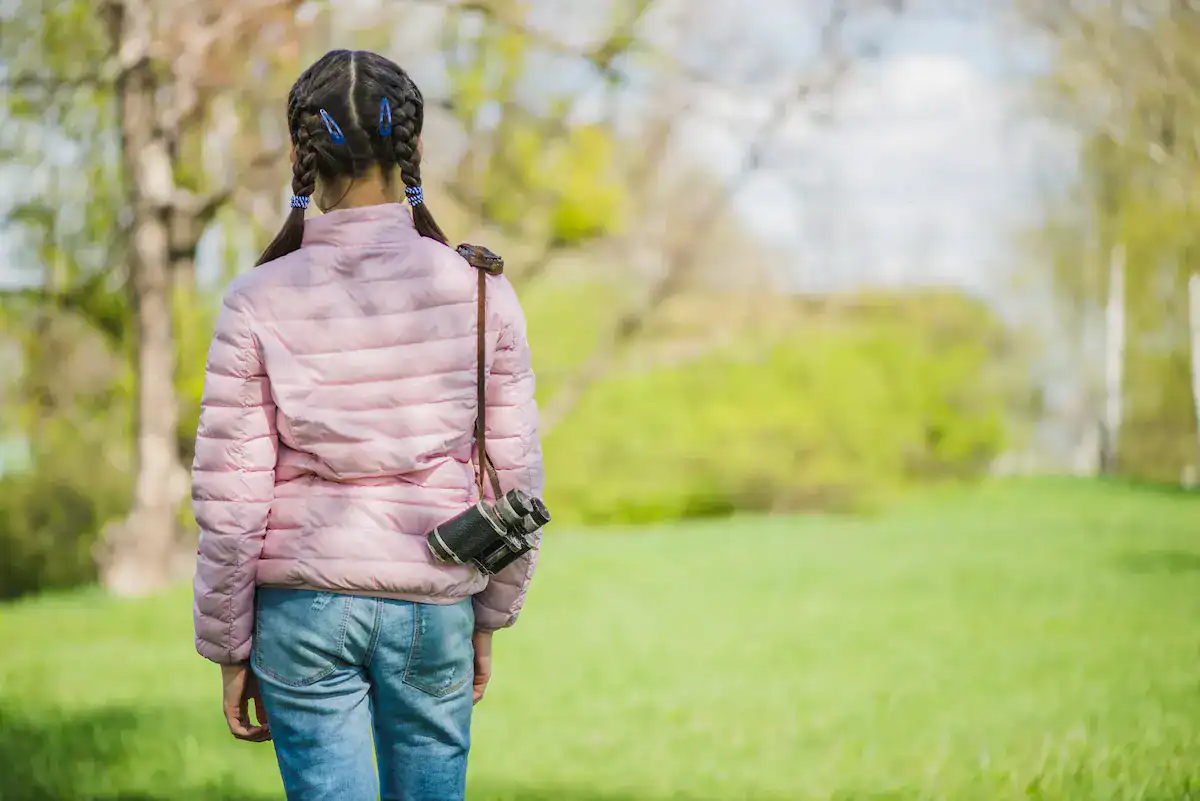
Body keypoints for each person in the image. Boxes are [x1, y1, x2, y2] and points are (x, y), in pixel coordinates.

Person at [190, 49, 544, 801]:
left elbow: (232, 495)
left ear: (300, 155)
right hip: (435, 596)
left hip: (301, 609)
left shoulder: (255, 297)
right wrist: (490, 613)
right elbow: (517, 476)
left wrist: (229, 645)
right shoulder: (479, 290)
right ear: (410, 149)